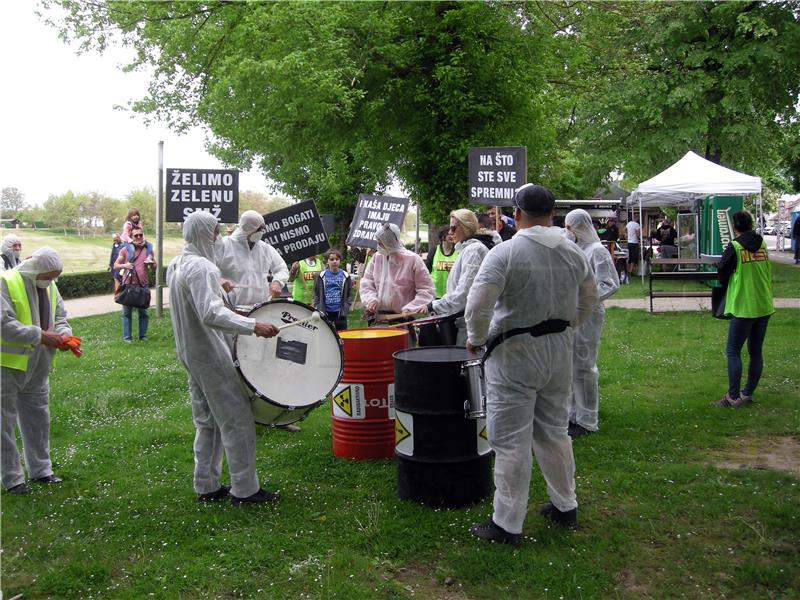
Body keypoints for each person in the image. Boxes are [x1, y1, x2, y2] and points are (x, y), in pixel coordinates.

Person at [465, 184, 597, 544]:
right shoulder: (574, 253)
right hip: (558, 351)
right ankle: (565, 505)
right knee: (555, 431)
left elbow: (478, 305)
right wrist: (570, 326)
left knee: (510, 440)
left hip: (515, 354)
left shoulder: (505, 253)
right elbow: (590, 298)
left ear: (517, 213)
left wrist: (476, 338)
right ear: (552, 213)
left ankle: (507, 524)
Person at [167, 211, 281, 505]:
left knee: (207, 422)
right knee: (237, 420)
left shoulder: (178, 263)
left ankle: (205, 484)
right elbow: (209, 313)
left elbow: (200, 302)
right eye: (215, 232)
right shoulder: (202, 267)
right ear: (206, 234)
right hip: (210, 353)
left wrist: (221, 288)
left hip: (190, 353)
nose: (218, 236)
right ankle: (245, 489)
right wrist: (254, 326)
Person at [1, 247, 72, 495]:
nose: (51, 281)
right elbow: (4, 324)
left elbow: (61, 317)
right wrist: (41, 336)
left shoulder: (50, 286)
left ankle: (41, 470)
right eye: (49, 276)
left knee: (38, 420)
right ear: (36, 270)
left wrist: (65, 337)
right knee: (4, 424)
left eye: (54, 277)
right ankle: (12, 479)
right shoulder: (5, 281)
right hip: (7, 366)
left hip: (38, 365)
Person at [563, 209, 620, 437]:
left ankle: (588, 419)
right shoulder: (574, 249)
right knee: (571, 365)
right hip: (572, 314)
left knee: (584, 365)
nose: (566, 232)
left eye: (570, 227)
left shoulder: (597, 251)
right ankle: (573, 414)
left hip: (589, 315)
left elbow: (610, 283)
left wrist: (585, 299)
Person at [714, 211, 774, 408]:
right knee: (756, 352)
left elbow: (721, 272)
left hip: (743, 306)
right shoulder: (763, 244)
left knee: (733, 351)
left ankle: (732, 397)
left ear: (735, 226)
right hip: (763, 304)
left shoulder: (736, 246)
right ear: (750, 224)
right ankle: (747, 393)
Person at [418, 209, 494, 345]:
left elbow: (464, 293)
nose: (450, 232)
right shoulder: (468, 249)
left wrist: (433, 306)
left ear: (466, 227)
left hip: (471, 326)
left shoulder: (474, 250)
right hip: (466, 322)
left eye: (453, 228)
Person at [359, 223, 434, 323]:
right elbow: (367, 282)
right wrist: (371, 300)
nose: (378, 246)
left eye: (380, 243)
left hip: (404, 319)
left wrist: (411, 308)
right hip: (378, 317)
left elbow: (427, 290)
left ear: (389, 243)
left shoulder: (413, 259)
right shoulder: (377, 258)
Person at [216, 210, 288, 308]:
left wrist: (277, 282)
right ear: (248, 228)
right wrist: (218, 279)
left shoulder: (265, 248)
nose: (261, 232)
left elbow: (281, 268)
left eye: (262, 228)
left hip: (259, 308)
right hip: (229, 308)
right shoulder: (223, 245)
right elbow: (207, 269)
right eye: (259, 229)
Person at [114, 226, 154, 342]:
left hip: (143, 285)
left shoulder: (148, 249)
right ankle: (127, 338)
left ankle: (142, 336)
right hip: (128, 285)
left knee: (144, 313)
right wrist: (125, 265)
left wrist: (151, 263)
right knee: (126, 313)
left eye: (140, 235)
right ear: (131, 237)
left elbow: (154, 267)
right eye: (135, 235)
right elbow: (116, 265)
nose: (138, 237)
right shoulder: (125, 250)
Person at [312, 248, 353, 330]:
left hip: (340, 312)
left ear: (340, 261)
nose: (334, 261)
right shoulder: (321, 276)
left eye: (337, 259)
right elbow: (316, 293)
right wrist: (317, 305)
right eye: (331, 259)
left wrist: (346, 306)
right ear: (327, 261)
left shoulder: (345, 275)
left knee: (342, 335)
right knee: (325, 334)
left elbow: (349, 293)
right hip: (325, 311)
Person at [425, 226, 459, 299]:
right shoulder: (434, 250)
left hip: (452, 294)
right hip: (435, 294)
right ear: (442, 236)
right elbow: (426, 270)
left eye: (453, 234)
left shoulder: (458, 251)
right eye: (448, 234)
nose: (451, 236)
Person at [626, 214, 641, 279]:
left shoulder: (629, 223)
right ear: (637, 218)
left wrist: (626, 235)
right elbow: (638, 234)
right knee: (634, 257)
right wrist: (639, 239)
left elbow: (624, 229)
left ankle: (627, 270)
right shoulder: (637, 225)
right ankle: (630, 271)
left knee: (630, 256)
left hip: (629, 242)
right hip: (634, 242)